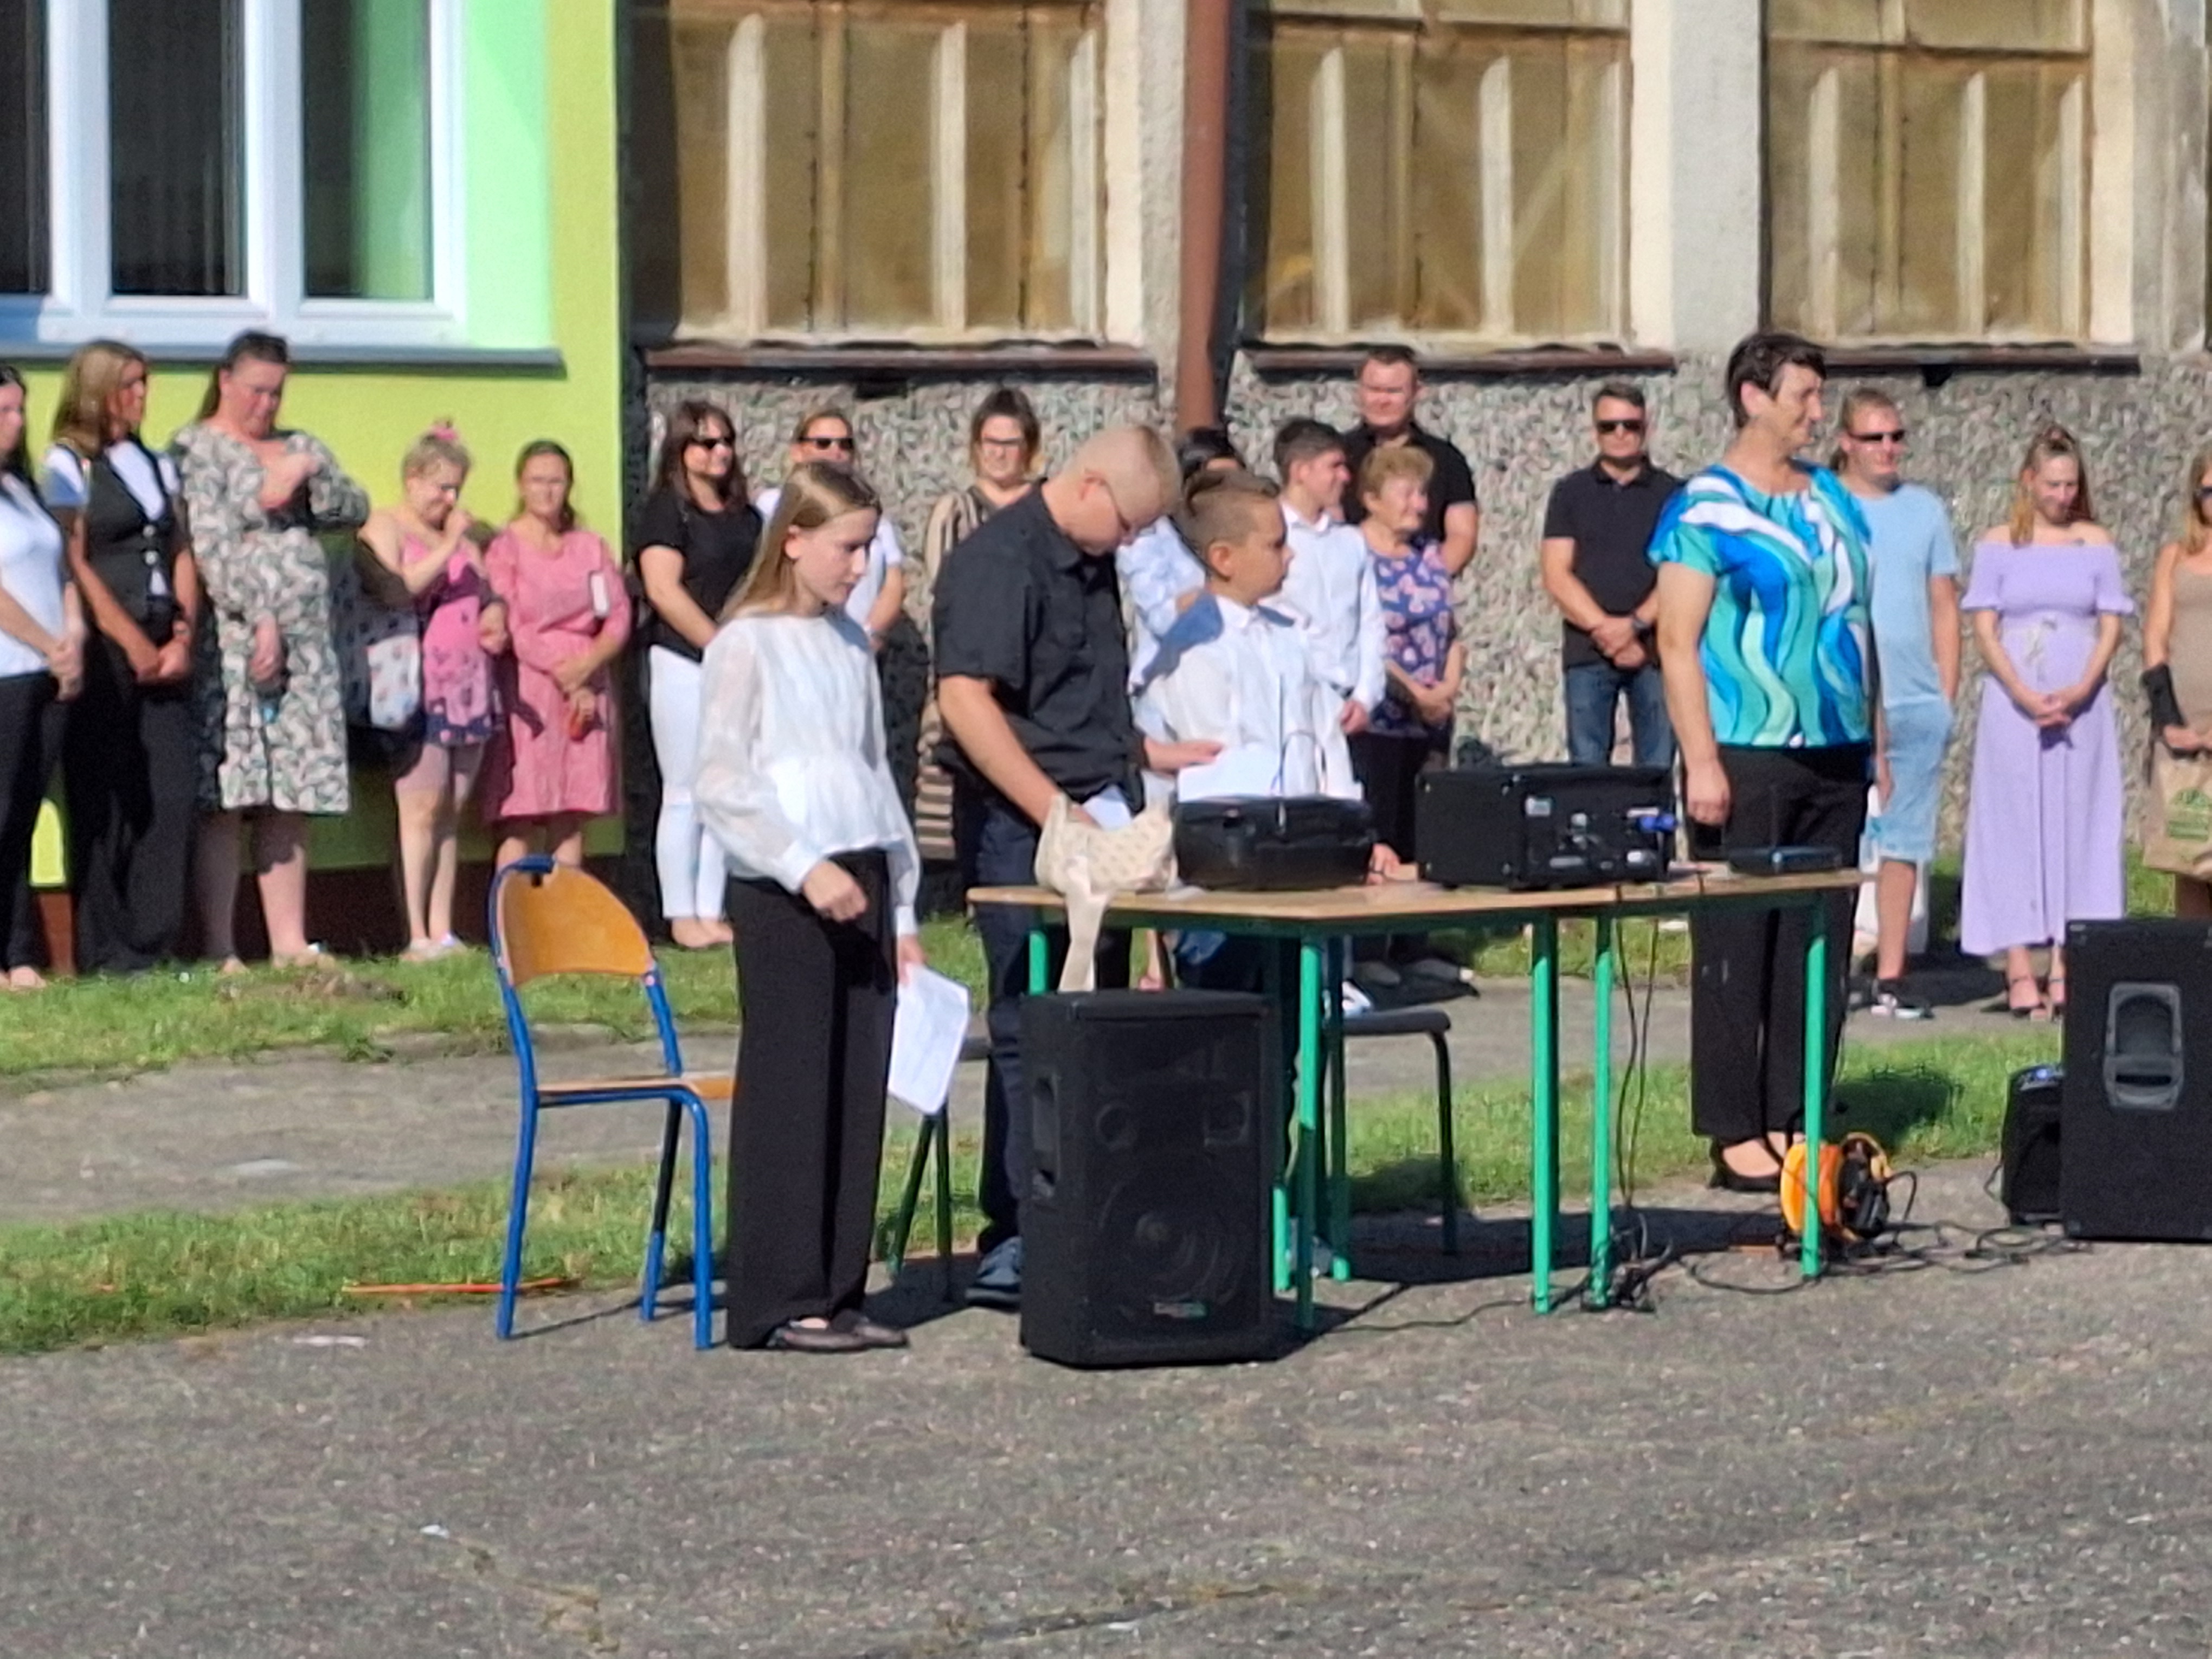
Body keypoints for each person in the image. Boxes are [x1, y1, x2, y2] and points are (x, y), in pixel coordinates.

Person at [934, 425, 1218, 1310]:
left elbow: (1090, 701)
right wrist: (1052, 812)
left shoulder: (1093, 562)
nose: (1128, 543)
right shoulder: (1000, 560)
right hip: (1024, 826)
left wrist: (1136, 783)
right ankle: (1022, 1231)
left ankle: (1097, 1217)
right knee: (1032, 1024)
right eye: (1127, 524)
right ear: (1091, 485)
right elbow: (966, 700)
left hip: (1104, 811)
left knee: (1103, 1025)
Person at [695, 462, 924, 1354]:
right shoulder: (745, 644)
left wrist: (902, 911)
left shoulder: (849, 644)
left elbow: (873, 772)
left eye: (868, 550)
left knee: (856, 1086)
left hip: (860, 865)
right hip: (784, 885)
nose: (860, 567)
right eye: (847, 548)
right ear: (793, 540)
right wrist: (800, 865)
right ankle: (780, 1294)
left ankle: (837, 1285)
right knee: (795, 1085)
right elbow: (722, 781)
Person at [1649, 331, 1873, 1191]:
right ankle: (1735, 1127)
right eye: (1802, 396)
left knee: (1817, 942)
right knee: (1739, 942)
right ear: (1753, 397)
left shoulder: (1830, 497)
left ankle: (1796, 1111)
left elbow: (1859, 619)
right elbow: (1677, 642)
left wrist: (1877, 734)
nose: (1816, 412)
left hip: (1835, 747)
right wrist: (1701, 761)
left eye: (1819, 396)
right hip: (1747, 749)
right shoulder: (1706, 509)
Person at [1135, 469, 1398, 991]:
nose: (1290, 555)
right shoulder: (1192, 649)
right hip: (1225, 881)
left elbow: (1326, 740)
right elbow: (1215, 763)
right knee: (1233, 1013)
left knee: (1305, 1011)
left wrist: (1352, 828)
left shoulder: (1289, 636)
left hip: (1304, 865)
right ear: (1224, 558)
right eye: (1276, 545)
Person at [172, 331, 369, 972]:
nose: (266, 404)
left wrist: (307, 471)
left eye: (277, 392)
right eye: (256, 391)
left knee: (292, 790)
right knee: (233, 792)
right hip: (236, 643)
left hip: (306, 648)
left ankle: (289, 941)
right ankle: (220, 944)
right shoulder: (198, 450)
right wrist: (260, 618)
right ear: (225, 381)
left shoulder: (298, 444)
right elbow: (211, 549)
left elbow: (354, 507)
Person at [1958, 426, 2130, 1021]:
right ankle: (2017, 963)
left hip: (2081, 704)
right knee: (2012, 825)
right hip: (2015, 703)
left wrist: (2082, 687)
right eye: (2052, 484)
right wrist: (2022, 691)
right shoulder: (1999, 543)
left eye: (2070, 485)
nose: (2062, 495)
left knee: (2079, 822)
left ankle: (2066, 959)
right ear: (2029, 482)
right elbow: (1985, 627)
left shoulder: (2094, 543)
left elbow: (2111, 624)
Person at [42, 342, 198, 974]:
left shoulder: (156, 463)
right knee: (102, 794)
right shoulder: (69, 464)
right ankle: (106, 949)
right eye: (129, 385)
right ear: (99, 391)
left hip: (164, 632)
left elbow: (181, 548)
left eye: (144, 383)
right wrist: (129, 639)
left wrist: (183, 633)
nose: (141, 396)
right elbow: (73, 559)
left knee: (171, 792)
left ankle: (153, 939)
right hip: (108, 645)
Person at [1832, 389, 1960, 1018]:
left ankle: (1892, 975)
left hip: (1914, 699)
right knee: (1838, 839)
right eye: (1874, 437)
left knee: (1905, 840)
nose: (1888, 449)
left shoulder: (1924, 511)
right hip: (1842, 702)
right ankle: (1829, 969)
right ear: (1846, 442)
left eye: (1896, 437)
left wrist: (1945, 695)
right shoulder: (1825, 504)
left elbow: (1944, 606)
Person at [358, 427, 507, 960]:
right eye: (442, 487)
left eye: (457, 489)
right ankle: (416, 931)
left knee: (449, 813)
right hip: (418, 689)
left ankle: (443, 929)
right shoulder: (388, 525)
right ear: (413, 479)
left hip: (468, 687)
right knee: (419, 810)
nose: (450, 499)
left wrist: (495, 614)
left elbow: (487, 592)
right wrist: (448, 545)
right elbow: (400, 588)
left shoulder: (462, 537)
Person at [633, 398, 759, 949]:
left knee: (724, 788)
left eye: (726, 441)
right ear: (681, 449)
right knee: (684, 790)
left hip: (734, 662)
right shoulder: (666, 512)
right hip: (682, 661)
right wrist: (717, 643)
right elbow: (664, 590)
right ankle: (680, 913)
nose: (720, 452)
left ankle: (712, 909)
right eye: (707, 443)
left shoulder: (745, 516)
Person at [482, 441, 632, 871]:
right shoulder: (506, 548)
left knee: (572, 813)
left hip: (589, 682)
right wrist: (565, 674)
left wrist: (590, 663)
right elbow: (512, 620)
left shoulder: (590, 547)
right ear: (521, 485)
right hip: (529, 688)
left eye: (556, 481)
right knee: (521, 812)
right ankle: (512, 905)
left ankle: (565, 906)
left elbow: (617, 612)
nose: (547, 491)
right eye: (537, 481)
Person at [1350, 443, 1463, 990]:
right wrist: (1414, 691)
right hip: (1382, 720)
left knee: (1425, 834)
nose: (1419, 504)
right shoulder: (1356, 556)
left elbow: (1452, 629)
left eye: (1423, 493)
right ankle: (1369, 946)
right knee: (1382, 832)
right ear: (1372, 499)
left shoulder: (1429, 555)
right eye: (1407, 493)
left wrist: (1447, 687)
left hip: (1431, 720)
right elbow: (1365, 641)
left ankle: (1416, 943)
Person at [914, 389, 1043, 863]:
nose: (999, 453)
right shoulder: (957, 511)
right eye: (990, 442)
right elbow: (944, 589)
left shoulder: (1042, 507)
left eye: (1009, 443)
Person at [1538, 382, 1680, 768]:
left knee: (1657, 768)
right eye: (1609, 426)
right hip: (1588, 650)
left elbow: (1681, 573)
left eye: (1630, 425)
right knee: (1587, 771)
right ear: (1594, 431)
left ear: (1646, 428)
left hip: (1657, 652)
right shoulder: (1570, 493)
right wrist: (1608, 632)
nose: (1620, 434)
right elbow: (1556, 573)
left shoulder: (1675, 494)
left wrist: (1635, 626)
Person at [0, 367, 83, 988]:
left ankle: (20, 953)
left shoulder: (21, 489)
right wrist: (47, 643)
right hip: (8, 670)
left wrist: (72, 637)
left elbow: (61, 570)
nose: (16, 423)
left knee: (25, 814)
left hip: (46, 673)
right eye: (3, 412)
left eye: (19, 410)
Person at [753, 409, 904, 648]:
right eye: (823, 443)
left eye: (846, 445)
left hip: (853, 638)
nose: (836, 452)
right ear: (797, 451)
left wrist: (869, 636)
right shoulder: (772, 505)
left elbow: (894, 586)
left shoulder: (873, 518)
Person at [1272, 418, 1384, 736]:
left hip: (1349, 705)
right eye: (1334, 466)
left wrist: (1365, 698)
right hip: (1292, 706)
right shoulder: (1270, 537)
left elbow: (1371, 623)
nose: (1345, 477)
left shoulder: (1351, 541)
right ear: (1301, 471)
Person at [2142, 445, 2212, 918]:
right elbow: (2155, 639)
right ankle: (2195, 960)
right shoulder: (2175, 557)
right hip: (2185, 725)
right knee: (2188, 857)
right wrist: (2168, 721)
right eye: (2210, 491)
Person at [1339, 346, 1480, 577]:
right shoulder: (1337, 456)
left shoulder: (1446, 459)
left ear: (1416, 393)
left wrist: (1425, 582)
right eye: (1374, 389)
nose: (1383, 400)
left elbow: (1462, 535)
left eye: (1394, 391)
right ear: (1359, 392)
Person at [1119, 427, 1242, 688]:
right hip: (1172, 679)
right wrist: (1217, 593)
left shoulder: (1250, 537)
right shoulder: (1150, 538)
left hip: (1235, 674)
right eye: (1216, 482)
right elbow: (1161, 618)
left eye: (1236, 481)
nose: (1229, 492)